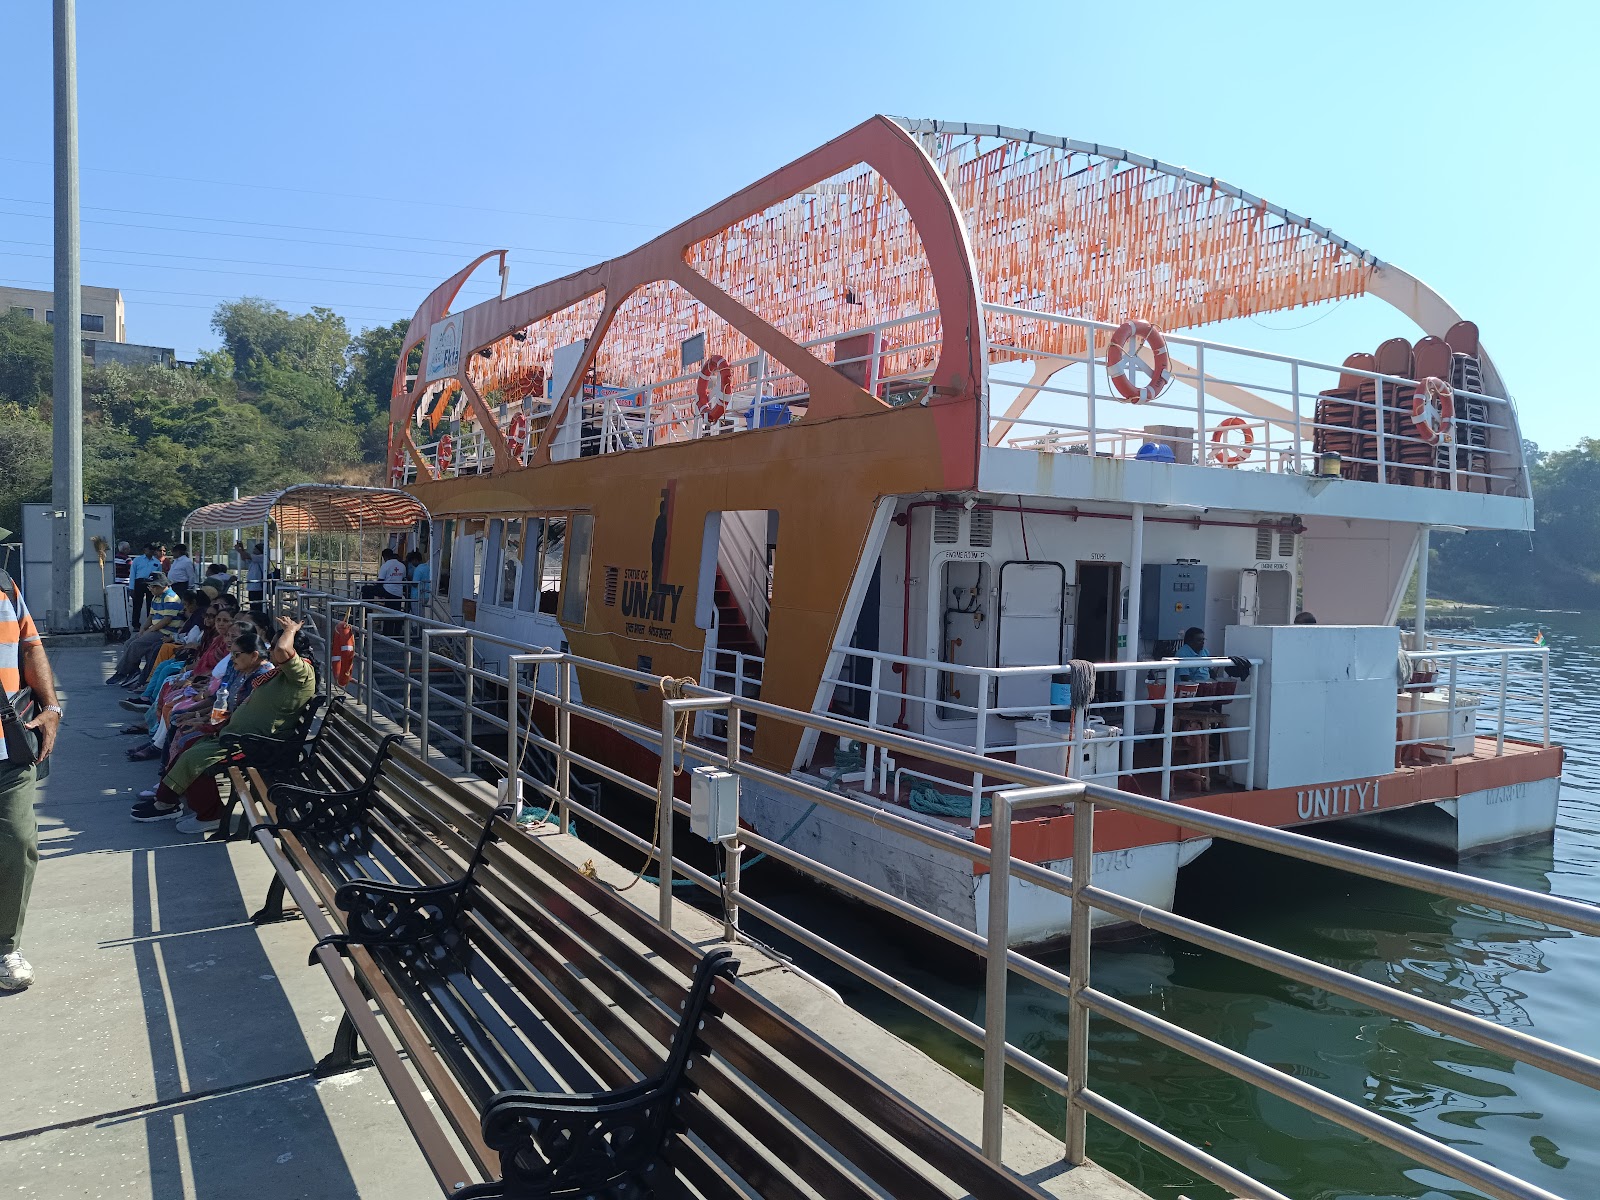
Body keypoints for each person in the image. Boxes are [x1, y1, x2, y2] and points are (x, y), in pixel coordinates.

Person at [130, 615, 315, 834]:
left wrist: (290, 631)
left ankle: (211, 815)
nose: (271, 650)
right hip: (239, 735)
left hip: (257, 745)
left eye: (274, 645)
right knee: (190, 746)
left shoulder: (301, 673)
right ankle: (166, 802)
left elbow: (284, 651)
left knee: (196, 757)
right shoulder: (281, 674)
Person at [0, 566, 62, 990]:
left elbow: (31, 647)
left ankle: (6, 946)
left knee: (18, 841)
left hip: (9, 748)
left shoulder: (4, 585)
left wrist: (52, 707)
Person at [107, 574, 183, 685]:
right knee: (128, 643)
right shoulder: (156, 597)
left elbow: (166, 620)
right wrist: (143, 629)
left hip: (166, 632)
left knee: (136, 645)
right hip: (156, 629)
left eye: (152, 586)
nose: (150, 589)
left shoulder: (170, 597)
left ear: (160, 586)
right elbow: (151, 616)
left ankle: (121, 672)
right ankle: (133, 671)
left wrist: (149, 631)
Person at [129, 543, 163, 629]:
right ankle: (136, 624)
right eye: (149, 549)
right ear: (145, 550)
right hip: (139, 582)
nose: (151, 551)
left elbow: (160, 575)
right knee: (137, 604)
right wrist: (131, 588)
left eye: (152, 550)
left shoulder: (156, 562)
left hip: (151, 583)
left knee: (151, 604)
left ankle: (150, 624)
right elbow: (132, 574)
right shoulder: (137, 560)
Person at [245, 542, 267, 614]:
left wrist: (240, 550)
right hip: (252, 586)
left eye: (255, 549)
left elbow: (247, 556)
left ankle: (258, 617)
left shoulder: (262, 557)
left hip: (258, 586)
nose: (253, 550)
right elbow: (244, 557)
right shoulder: (255, 558)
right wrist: (241, 550)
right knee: (253, 604)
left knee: (257, 605)